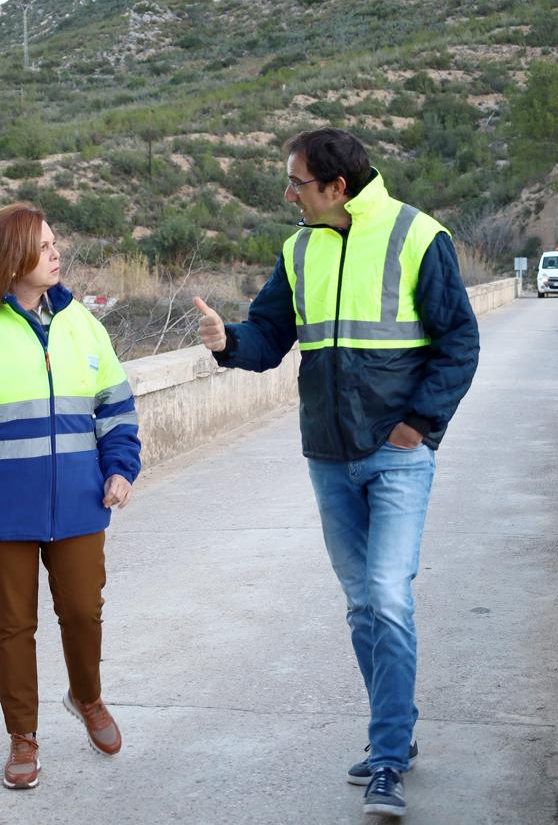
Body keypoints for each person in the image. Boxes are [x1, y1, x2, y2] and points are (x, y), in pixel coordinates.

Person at [193, 128, 479, 818]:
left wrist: (419, 425)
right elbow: (269, 338)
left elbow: (459, 342)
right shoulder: (298, 249)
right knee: (361, 604)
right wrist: (228, 341)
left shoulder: (417, 236)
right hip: (328, 455)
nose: (287, 193)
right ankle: (397, 730)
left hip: (398, 453)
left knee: (387, 595)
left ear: (336, 187)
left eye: (296, 182)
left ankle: (386, 760)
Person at [0, 203, 141, 790]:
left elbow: (115, 408)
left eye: (56, 242)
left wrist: (120, 468)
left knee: (84, 610)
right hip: (1, 510)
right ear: (12, 258)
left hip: (81, 502)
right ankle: (23, 738)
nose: (57, 253)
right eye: (43, 246)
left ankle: (87, 698)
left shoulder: (84, 324)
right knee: (13, 625)